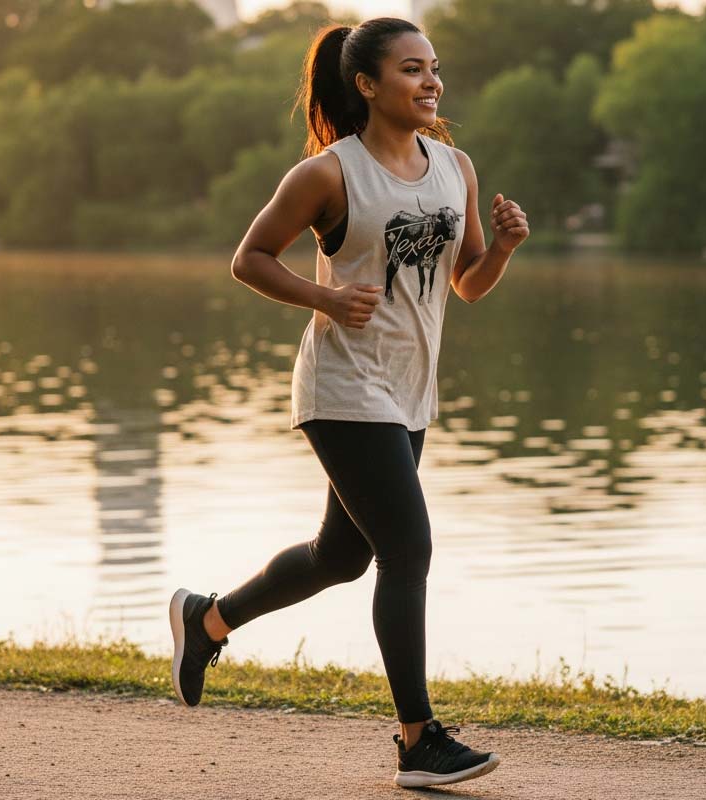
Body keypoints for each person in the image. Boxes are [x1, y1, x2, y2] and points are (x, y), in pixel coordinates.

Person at [169, 16, 529, 789]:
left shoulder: (455, 167)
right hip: (341, 387)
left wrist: (500, 248)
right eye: (410, 69)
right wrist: (324, 301)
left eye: (433, 68)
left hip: (409, 389)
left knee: (343, 555)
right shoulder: (330, 173)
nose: (431, 82)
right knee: (408, 550)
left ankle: (207, 619)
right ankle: (417, 741)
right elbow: (250, 259)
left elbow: (465, 284)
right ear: (366, 84)